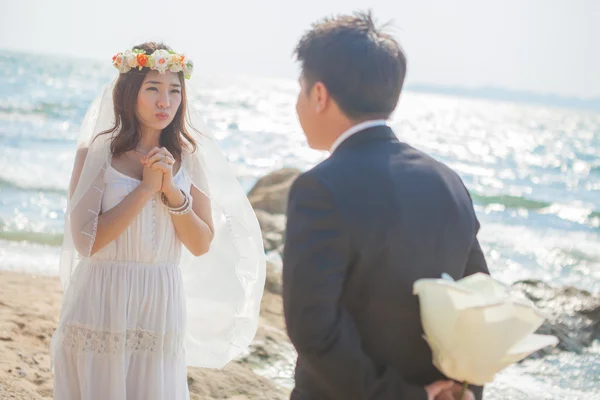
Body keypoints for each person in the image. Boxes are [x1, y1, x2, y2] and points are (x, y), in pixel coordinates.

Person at [282, 11, 487, 400]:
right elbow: (479, 303)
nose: (298, 104)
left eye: (300, 90)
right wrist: (462, 390)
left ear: (319, 95)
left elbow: (313, 328)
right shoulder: (448, 181)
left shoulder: (319, 188)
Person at [50, 42, 266, 400]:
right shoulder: (97, 155)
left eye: (175, 90)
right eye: (153, 88)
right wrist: (146, 189)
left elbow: (200, 244)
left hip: (160, 300)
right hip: (102, 297)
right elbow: (86, 241)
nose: (165, 101)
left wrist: (173, 194)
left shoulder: (189, 160)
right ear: (129, 93)